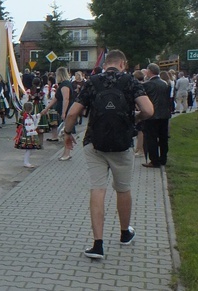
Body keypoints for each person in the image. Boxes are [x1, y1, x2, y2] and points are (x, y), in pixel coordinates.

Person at [60, 50, 153, 260]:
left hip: (95, 144)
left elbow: (73, 113)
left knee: (97, 189)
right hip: (122, 145)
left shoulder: (92, 82)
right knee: (123, 189)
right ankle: (124, 234)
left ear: (105, 64)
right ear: (123, 63)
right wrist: (135, 119)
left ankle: (98, 245)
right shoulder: (130, 81)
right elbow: (149, 110)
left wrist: (67, 134)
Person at [142, 63, 171, 168]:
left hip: (152, 115)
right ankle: (163, 158)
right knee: (163, 138)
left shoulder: (147, 85)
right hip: (164, 114)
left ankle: (154, 160)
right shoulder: (165, 83)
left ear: (150, 71)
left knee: (151, 138)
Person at [40, 67, 73, 159]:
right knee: (66, 133)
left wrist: (64, 112)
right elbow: (56, 98)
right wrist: (47, 108)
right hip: (65, 111)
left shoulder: (65, 85)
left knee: (66, 133)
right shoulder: (62, 84)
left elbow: (66, 99)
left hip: (67, 111)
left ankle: (67, 153)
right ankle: (66, 152)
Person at [14, 102, 42, 168]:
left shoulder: (26, 115)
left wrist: (39, 114)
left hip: (26, 133)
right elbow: (29, 125)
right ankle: (26, 162)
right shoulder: (26, 116)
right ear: (31, 109)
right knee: (29, 149)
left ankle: (26, 161)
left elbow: (33, 118)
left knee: (30, 148)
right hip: (28, 134)